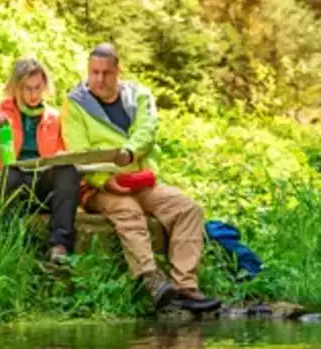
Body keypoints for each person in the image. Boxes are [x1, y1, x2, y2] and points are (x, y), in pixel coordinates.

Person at [61, 44, 220, 312]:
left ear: (118, 71)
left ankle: (186, 288)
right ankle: (152, 280)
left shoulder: (140, 96)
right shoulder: (75, 104)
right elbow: (80, 153)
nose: (99, 79)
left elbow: (147, 130)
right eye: (94, 72)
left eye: (106, 73)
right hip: (99, 185)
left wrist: (129, 151)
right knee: (128, 209)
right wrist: (105, 180)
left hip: (140, 179)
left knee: (187, 209)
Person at [0, 57, 80, 265]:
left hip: (41, 186)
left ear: (44, 87)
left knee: (68, 170)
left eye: (38, 88)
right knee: (11, 172)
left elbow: (64, 153)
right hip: (10, 184)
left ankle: (59, 245)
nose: (33, 95)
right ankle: (5, 239)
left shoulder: (54, 116)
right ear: (16, 88)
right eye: (27, 89)